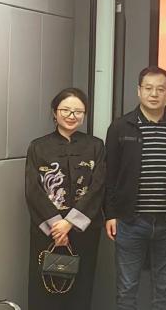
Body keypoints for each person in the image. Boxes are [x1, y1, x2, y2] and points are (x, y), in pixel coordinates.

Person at [104, 66, 166, 310]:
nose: (154, 94)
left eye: (160, 89)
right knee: (127, 289)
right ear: (138, 91)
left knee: (164, 289)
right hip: (130, 220)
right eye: (148, 88)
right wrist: (110, 214)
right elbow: (110, 174)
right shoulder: (121, 127)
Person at [25, 88, 105, 310]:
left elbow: (98, 187)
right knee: (45, 288)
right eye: (66, 110)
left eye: (78, 111)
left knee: (80, 288)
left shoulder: (96, 146)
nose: (72, 116)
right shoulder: (38, 147)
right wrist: (57, 226)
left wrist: (69, 222)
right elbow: (33, 190)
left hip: (83, 229)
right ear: (54, 112)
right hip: (47, 230)